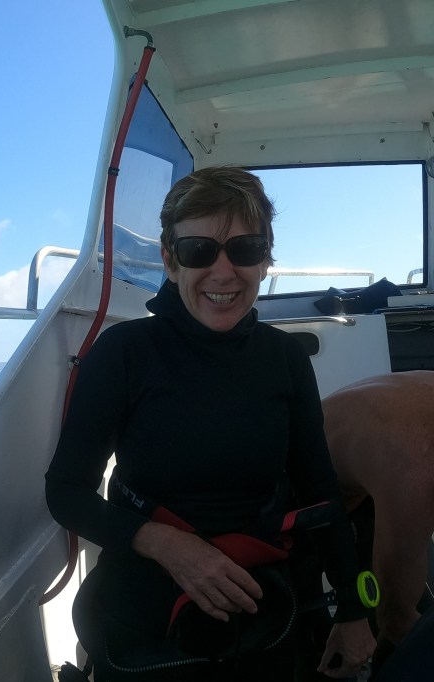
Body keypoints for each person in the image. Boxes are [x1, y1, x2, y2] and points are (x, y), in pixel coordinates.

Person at [45, 166, 375, 681]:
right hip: (150, 606)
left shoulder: (285, 359)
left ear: (265, 260)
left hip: (261, 604)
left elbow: (319, 492)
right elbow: (65, 491)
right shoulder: (125, 354)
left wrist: (354, 614)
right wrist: (168, 546)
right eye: (200, 250)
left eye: (244, 249)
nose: (224, 272)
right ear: (170, 260)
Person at [321, 370, 434, 675]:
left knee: (408, 608)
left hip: (367, 474)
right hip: (301, 494)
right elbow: (396, 619)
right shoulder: (418, 465)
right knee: (391, 619)